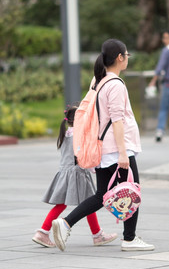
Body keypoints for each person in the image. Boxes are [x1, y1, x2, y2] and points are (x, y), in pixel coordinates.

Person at [52, 39, 155, 252]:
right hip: (116, 149)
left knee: (102, 194)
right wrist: (124, 154)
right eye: (127, 55)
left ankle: (66, 223)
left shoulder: (98, 81)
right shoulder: (115, 84)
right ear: (120, 58)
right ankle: (129, 239)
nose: (127, 59)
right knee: (131, 191)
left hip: (103, 148)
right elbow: (117, 121)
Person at [32, 105, 118, 248]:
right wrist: (94, 169)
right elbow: (82, 156)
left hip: (65, 174)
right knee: (88, 203)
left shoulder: (66, 134)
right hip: (78, 174)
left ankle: (96, 234)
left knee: (74, 204)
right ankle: (44, 232)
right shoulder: (79, 135)